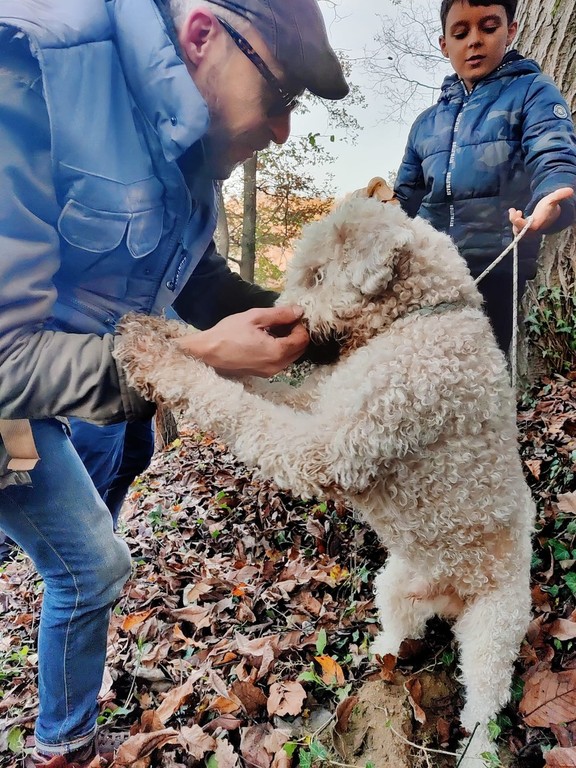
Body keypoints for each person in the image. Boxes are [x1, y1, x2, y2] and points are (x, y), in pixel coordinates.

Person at [0, 0, 348, 764]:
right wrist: (200, 359)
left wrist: (332, 331)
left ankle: (62, 746)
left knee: (89, 565)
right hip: (11, 388)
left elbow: (200, 282)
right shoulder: (30, 66)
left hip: (59, 390)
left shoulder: (195, 148)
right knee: (79, 563)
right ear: (202, 35)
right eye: (282, 96)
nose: (283, 130)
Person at [393, 0, 576, 353]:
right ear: (445, 44)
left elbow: (553, 154)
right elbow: (403, 199)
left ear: (511, 30)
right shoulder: (426, 123)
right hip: (430, 273)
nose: (474, 41)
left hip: (498, 266)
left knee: (485, 372)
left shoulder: (533, 92)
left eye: (489, 28)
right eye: (461, 33)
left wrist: (552, 200)